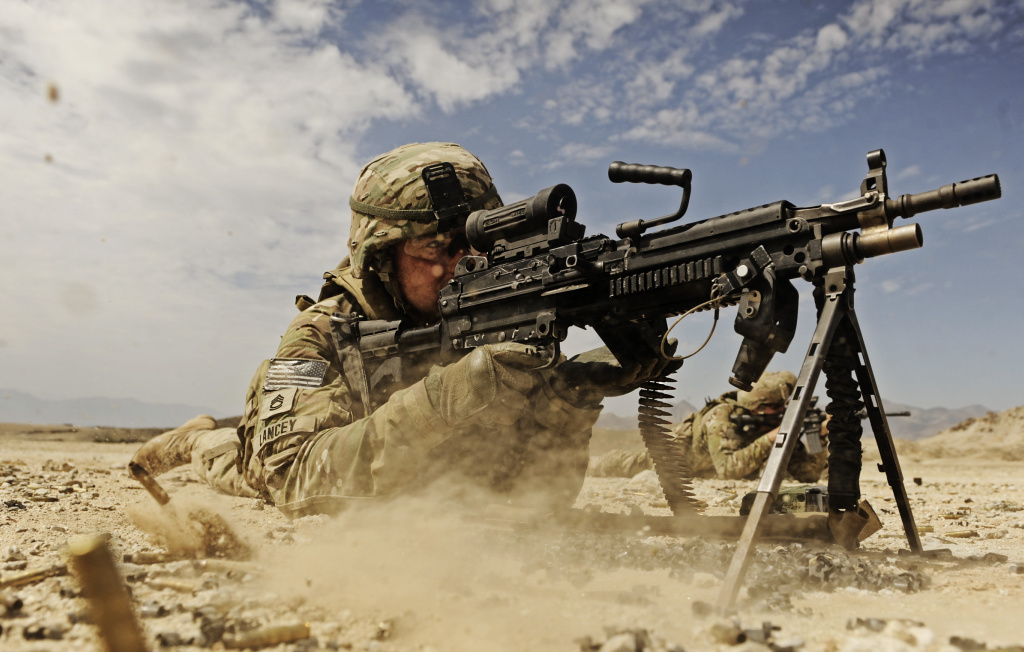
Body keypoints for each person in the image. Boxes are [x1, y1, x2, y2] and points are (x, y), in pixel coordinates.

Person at [130, 142, 666, 517]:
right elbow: (291, 480)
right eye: (435, 248)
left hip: (420, 482)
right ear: (380, 255)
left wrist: (570, 398)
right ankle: (194, 435)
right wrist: (447, 396)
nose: (459, 265)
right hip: (263, 455)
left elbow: (536, 497)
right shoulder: (322, 332)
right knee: (224, 457)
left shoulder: (494, 316)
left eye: (474, 245)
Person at [590, 370, 828, 482]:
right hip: (673, 461)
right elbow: (726, 469)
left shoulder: (772, 422)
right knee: (623, 463)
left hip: (702, 471)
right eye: (781, 409)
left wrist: (821, 438)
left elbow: (808, 475)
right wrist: (770, 439)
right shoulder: (721, 416)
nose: (786, 415)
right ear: (761, 406)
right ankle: (580, 464)